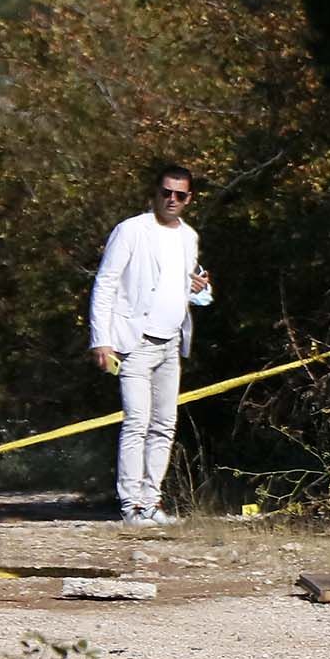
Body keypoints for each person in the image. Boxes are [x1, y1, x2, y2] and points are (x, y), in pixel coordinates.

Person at [89, 166, 213, 525]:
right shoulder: (131, 231)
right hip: (135, 342)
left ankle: (152, 500)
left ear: (189, 199)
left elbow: (192, 285)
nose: (172, 200)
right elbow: (106, 284)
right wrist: (102, 340)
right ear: (155, 193)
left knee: (164, 424)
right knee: (137, 423)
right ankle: (132, 506)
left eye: (180, 195)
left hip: (171, 341)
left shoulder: (188, 237)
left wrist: (201, 290)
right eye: (166, 193)